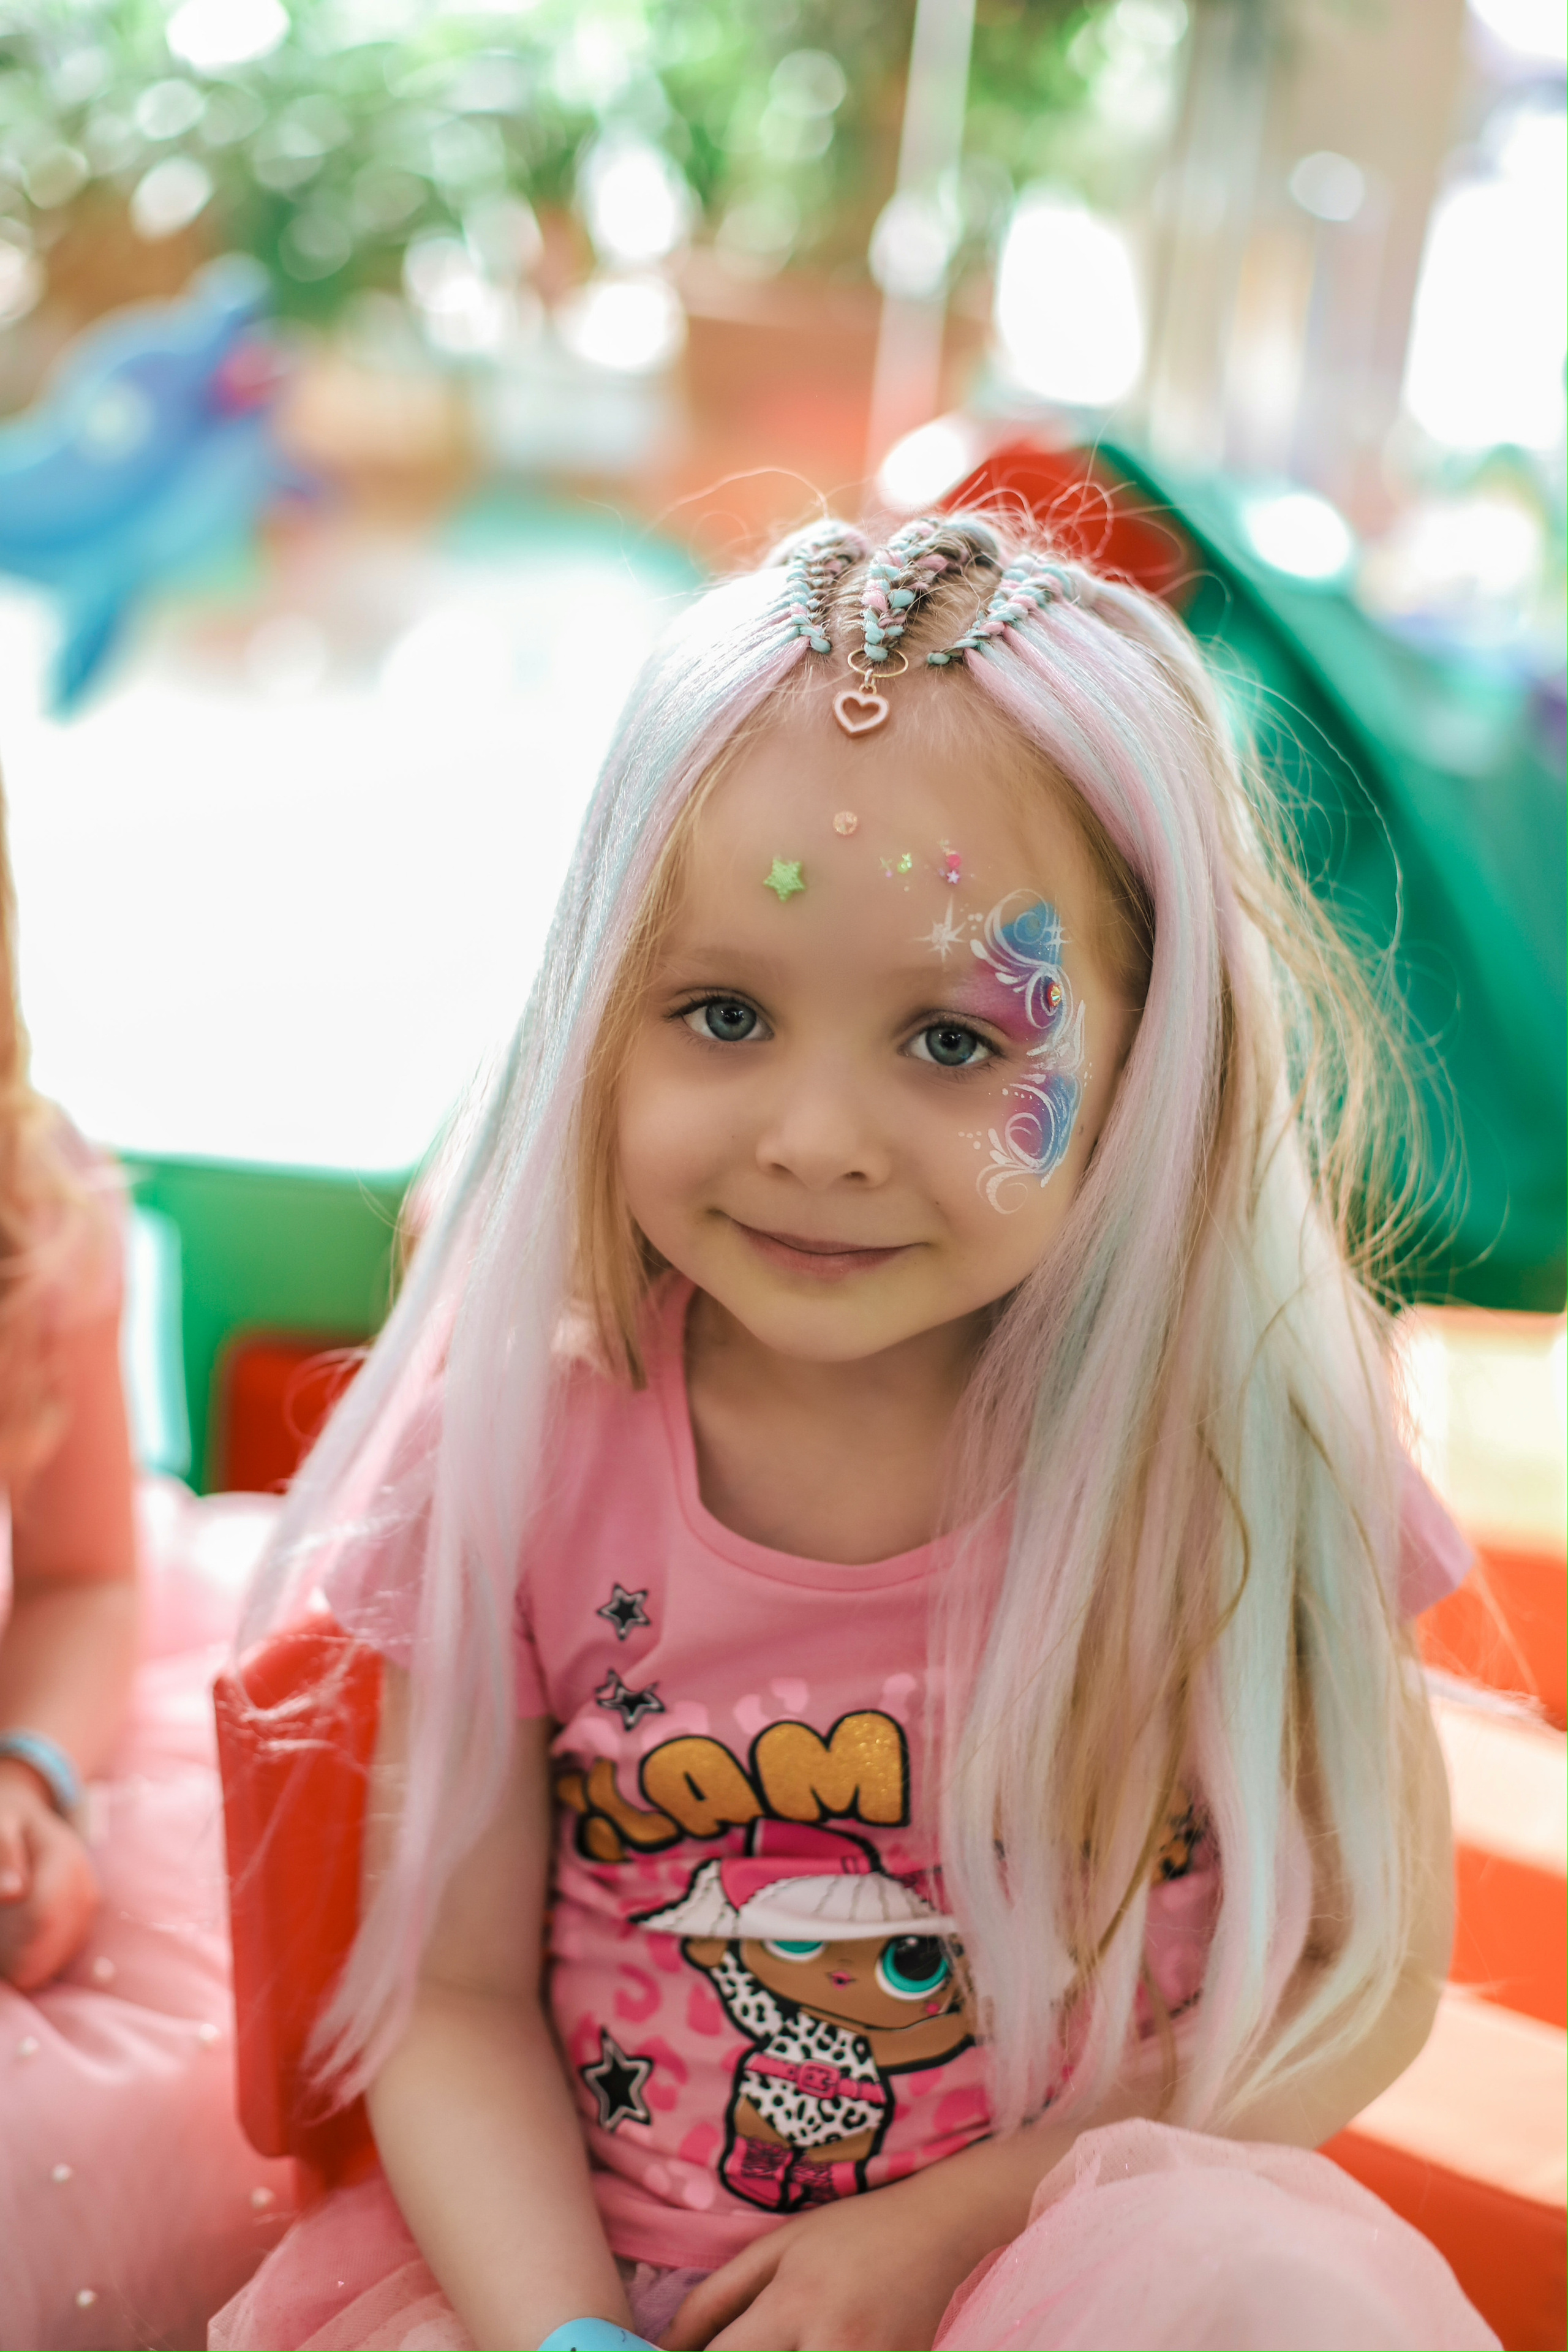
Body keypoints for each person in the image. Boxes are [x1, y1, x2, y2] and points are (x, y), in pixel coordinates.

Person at [211, 516, 1493, 2352]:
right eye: (722, 1012)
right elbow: (451, 1994)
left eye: (957, 1042)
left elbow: (1353, 1974)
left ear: (1153, 1055)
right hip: (592, 2294)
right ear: (599, 1009)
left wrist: (952, 2231)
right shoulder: (516, 1450)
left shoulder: (1250, 1452)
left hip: (1074, 2284)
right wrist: (571, 2339)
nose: (815, 1140)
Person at [0, 776, 294, 2347]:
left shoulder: (34, 1204)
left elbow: (80, 1577)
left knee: (205, 2070)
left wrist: (31, 1776)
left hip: (40, 1689)